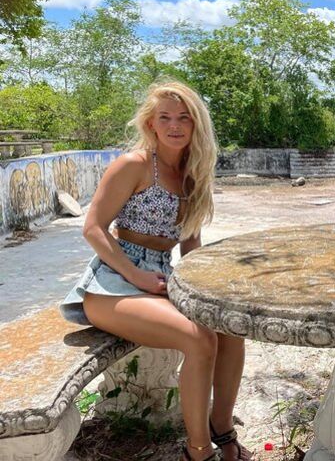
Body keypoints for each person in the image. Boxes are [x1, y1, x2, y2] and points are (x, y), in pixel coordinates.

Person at [60, 81, 251, 461]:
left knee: (230, 327)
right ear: (151, 123)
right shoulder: (134, 165)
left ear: (196, 124)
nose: (174, 125)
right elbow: (93, 228)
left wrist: (208, 288)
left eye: (184, 117)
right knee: (200, 339)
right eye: (165, 117)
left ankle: (220, 426)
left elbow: (191, 246)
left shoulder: (193, 173)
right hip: (112, 285)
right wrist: (135, 275)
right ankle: (197, 451)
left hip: (159, 279)